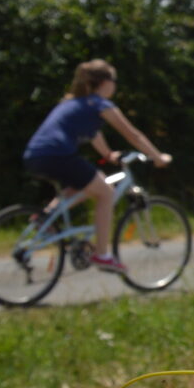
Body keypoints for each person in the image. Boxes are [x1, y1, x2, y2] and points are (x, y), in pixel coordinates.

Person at [22, 59, 172, 274]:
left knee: (82, 186)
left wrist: (109, 155)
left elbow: (95, 136)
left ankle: (43, 218)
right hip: (58, 155)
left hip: (35, 156)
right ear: (104, 82)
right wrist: (158, 157)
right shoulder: (100, 104)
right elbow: (133, 134)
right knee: (106, 192)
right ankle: (103, 255)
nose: (115, 85)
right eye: (114, 80)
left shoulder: (75, 104)